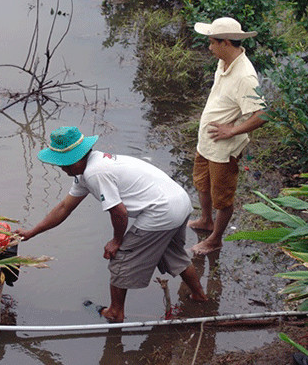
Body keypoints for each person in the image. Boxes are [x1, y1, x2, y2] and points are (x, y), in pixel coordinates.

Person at [16, 126, 207, 323]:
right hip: (179, 202)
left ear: (80, 156)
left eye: (66, 164)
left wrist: (117, 241)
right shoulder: (91, 167)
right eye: (61, 164)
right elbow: (64, 207)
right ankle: (198, 294)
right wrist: (32, 232)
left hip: (161, 211)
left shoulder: (94, 173)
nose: (63, 169)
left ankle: (115, 312)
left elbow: (119, 212)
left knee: (120, 258)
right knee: (172, 252)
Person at [188, 17, 267, 255]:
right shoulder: (223, 63)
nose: (209, 47)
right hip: (207, 141)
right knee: (202, 182)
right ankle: (205, 220)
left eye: (212, 42)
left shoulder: (245, 77)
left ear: (226, 43)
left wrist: (231, 130)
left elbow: (262, 115)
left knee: (222, 196)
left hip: (224, 147)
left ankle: (215, 239)